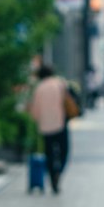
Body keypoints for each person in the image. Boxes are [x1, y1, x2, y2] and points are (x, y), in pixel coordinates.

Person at [28, 61, 70, 194]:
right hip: (60, 124)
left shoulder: (39, 88)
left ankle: (52, 177)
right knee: (64, 151)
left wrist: (37, 120)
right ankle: (59, 172)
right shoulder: (60, 84)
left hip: (45, 127)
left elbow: (34, 111)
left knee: (49, 154)